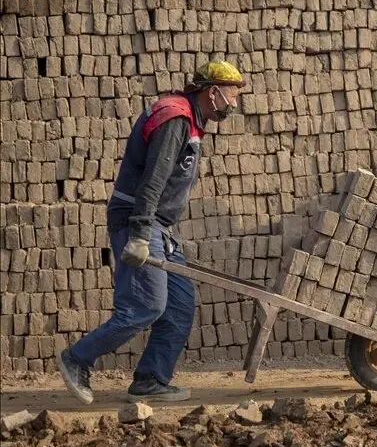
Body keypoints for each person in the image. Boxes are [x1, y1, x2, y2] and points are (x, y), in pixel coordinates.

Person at [56, 61, 245, 404]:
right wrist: (141, 235)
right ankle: (78, 357)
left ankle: (150, 379)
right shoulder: (176, 120)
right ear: (212, 91)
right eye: (231, 95)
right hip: (138, 219)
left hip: (161, 226)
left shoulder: (190, 122)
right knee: (146, 306)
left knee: (180, 305)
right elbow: (153, 180)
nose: (233, 103)